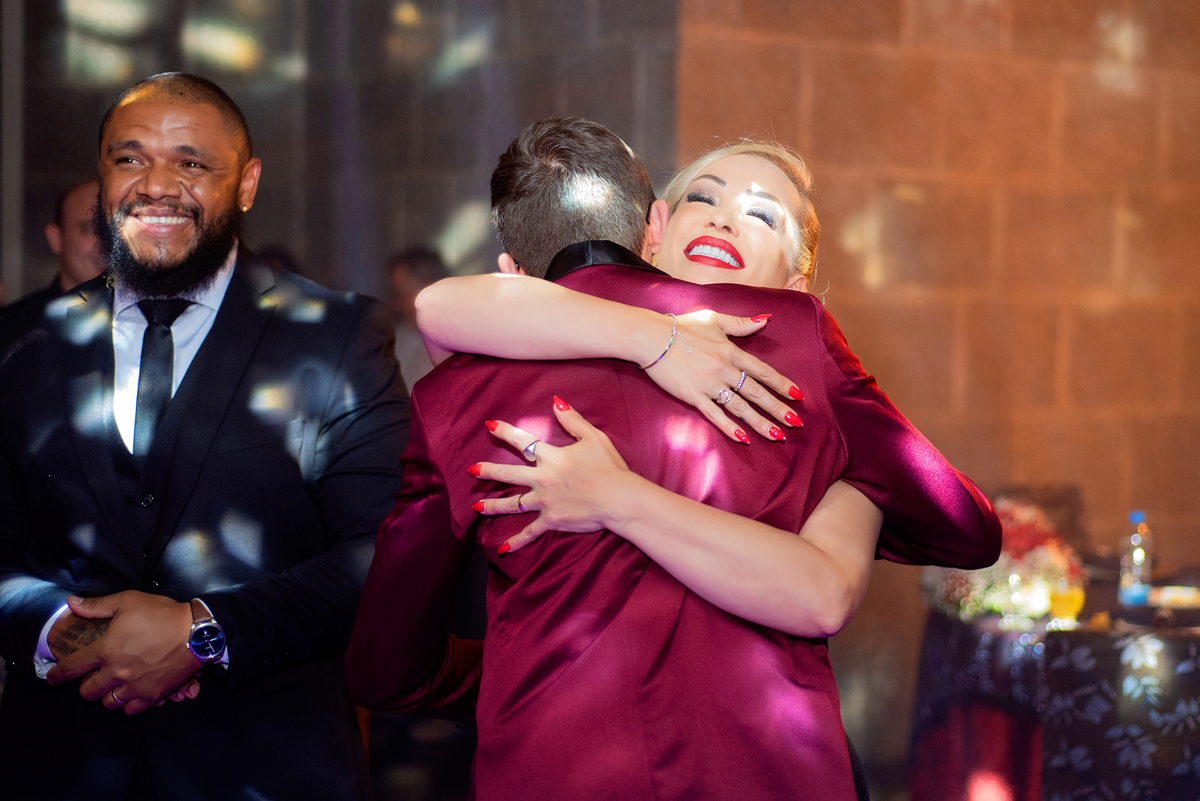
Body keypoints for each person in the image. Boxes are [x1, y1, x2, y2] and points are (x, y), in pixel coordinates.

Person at [346, 118, 999, 800]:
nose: (724, 223)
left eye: (761, 215)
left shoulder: (808, 367)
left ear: (801, 278)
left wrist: (859, 480)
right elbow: (446, 304)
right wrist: (654, 337)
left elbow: (384, 666)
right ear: (656, 229)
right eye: (706, 199)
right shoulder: (801, 351)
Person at [0, 73, 409, 800]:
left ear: (246, 184)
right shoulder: (22, 342)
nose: (157, 185)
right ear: (101, 177)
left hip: (270, 766)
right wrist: (57, 624)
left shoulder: (338, 335)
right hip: (61, 766)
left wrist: (204, 631)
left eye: (191, 162)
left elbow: (383, 552)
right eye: (129, 159)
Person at [0, 179, 104, 350]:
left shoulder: (155, 328)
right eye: (91, 230)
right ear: (56, 239)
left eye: (117, 230)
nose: (107, 244)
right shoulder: (11, 333)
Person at [385, 246, 449, 389]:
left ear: (428, 286)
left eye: (401, 293)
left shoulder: (454, 349)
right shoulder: (395, 339)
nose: (397, 305)